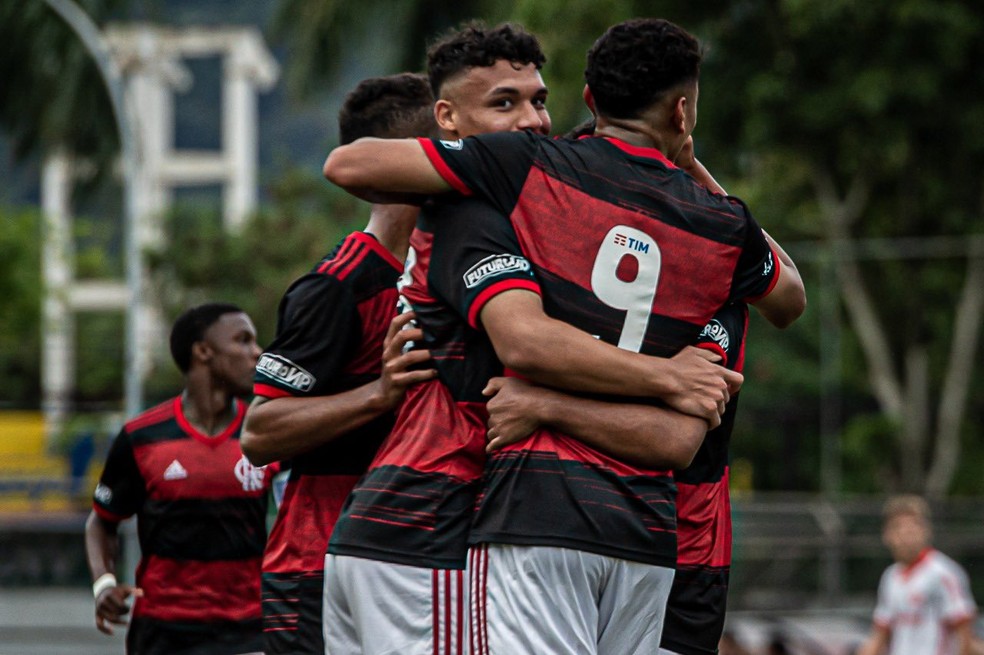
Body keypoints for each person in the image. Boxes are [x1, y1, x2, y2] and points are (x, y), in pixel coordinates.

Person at [323, 17, 806, 653]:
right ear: (683, 112)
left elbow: (673, 432)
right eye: (506, 104)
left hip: (548, 516)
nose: (531, 120)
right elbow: (788, 297)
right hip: (463, 525)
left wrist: (547, 403)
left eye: (538, 101)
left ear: (587, 100)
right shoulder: (719, 233)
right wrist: (667, 374)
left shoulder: (529, 171)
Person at [237, 72, 438, 655]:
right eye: (445, 148)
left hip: (407, 565)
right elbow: (260, 432)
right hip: (318, 570)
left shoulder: (447, 279)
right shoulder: (339, 285)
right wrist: (378, 394)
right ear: (399, 162)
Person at [85, 303, 273, 655]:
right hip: (162, 634)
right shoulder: (142, 437)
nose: (257, 352)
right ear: (203, 351)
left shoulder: (267, 435)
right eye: (243, 340)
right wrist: (103, 583)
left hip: (247, 631)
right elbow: (101, 521)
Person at [857, 495, 978, 655]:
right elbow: (880, 634)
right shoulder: (890, 577)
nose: (906, 534)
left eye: (913, 527)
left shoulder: (943, 572)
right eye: (898, 527)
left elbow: (965, 635)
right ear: (886, 535)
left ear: (927, 531)